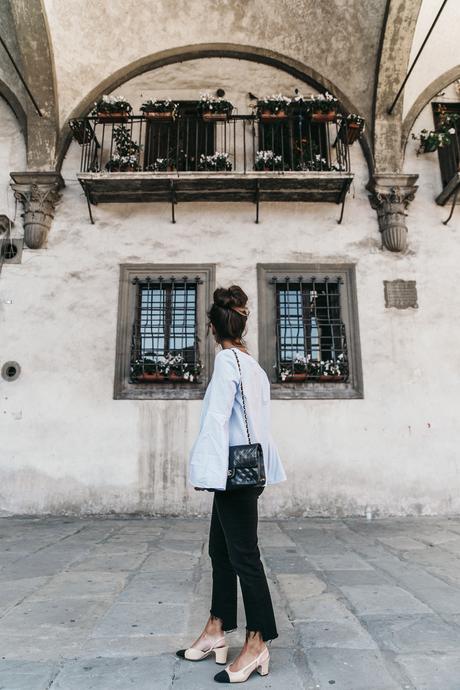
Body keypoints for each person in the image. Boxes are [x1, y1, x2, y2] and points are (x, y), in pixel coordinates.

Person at [176, 285, 287, 684]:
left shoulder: (226, 363)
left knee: (244, 558)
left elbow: (217, 421)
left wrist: (203, 472)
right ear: (241, 324)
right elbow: (260, 425)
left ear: (211, 327)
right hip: (247, 471)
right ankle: (216, 629)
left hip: (230, 474)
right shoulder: (252, 366)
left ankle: (258, 642)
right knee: (222, 554)